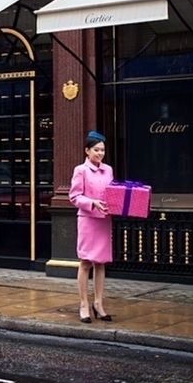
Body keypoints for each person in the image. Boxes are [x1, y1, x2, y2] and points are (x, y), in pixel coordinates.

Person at [69, 131, 113, 324]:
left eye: (103, 150)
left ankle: (99, 304)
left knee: (101, 262)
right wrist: (92, 202)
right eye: (96, 150)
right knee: (86, 262)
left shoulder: (109, 170)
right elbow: (74, 197)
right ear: (87, 151)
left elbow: (112, 193)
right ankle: (84, 304)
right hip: (88, 219)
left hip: (104, 220)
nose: (100, 153)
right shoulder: (81, 170)